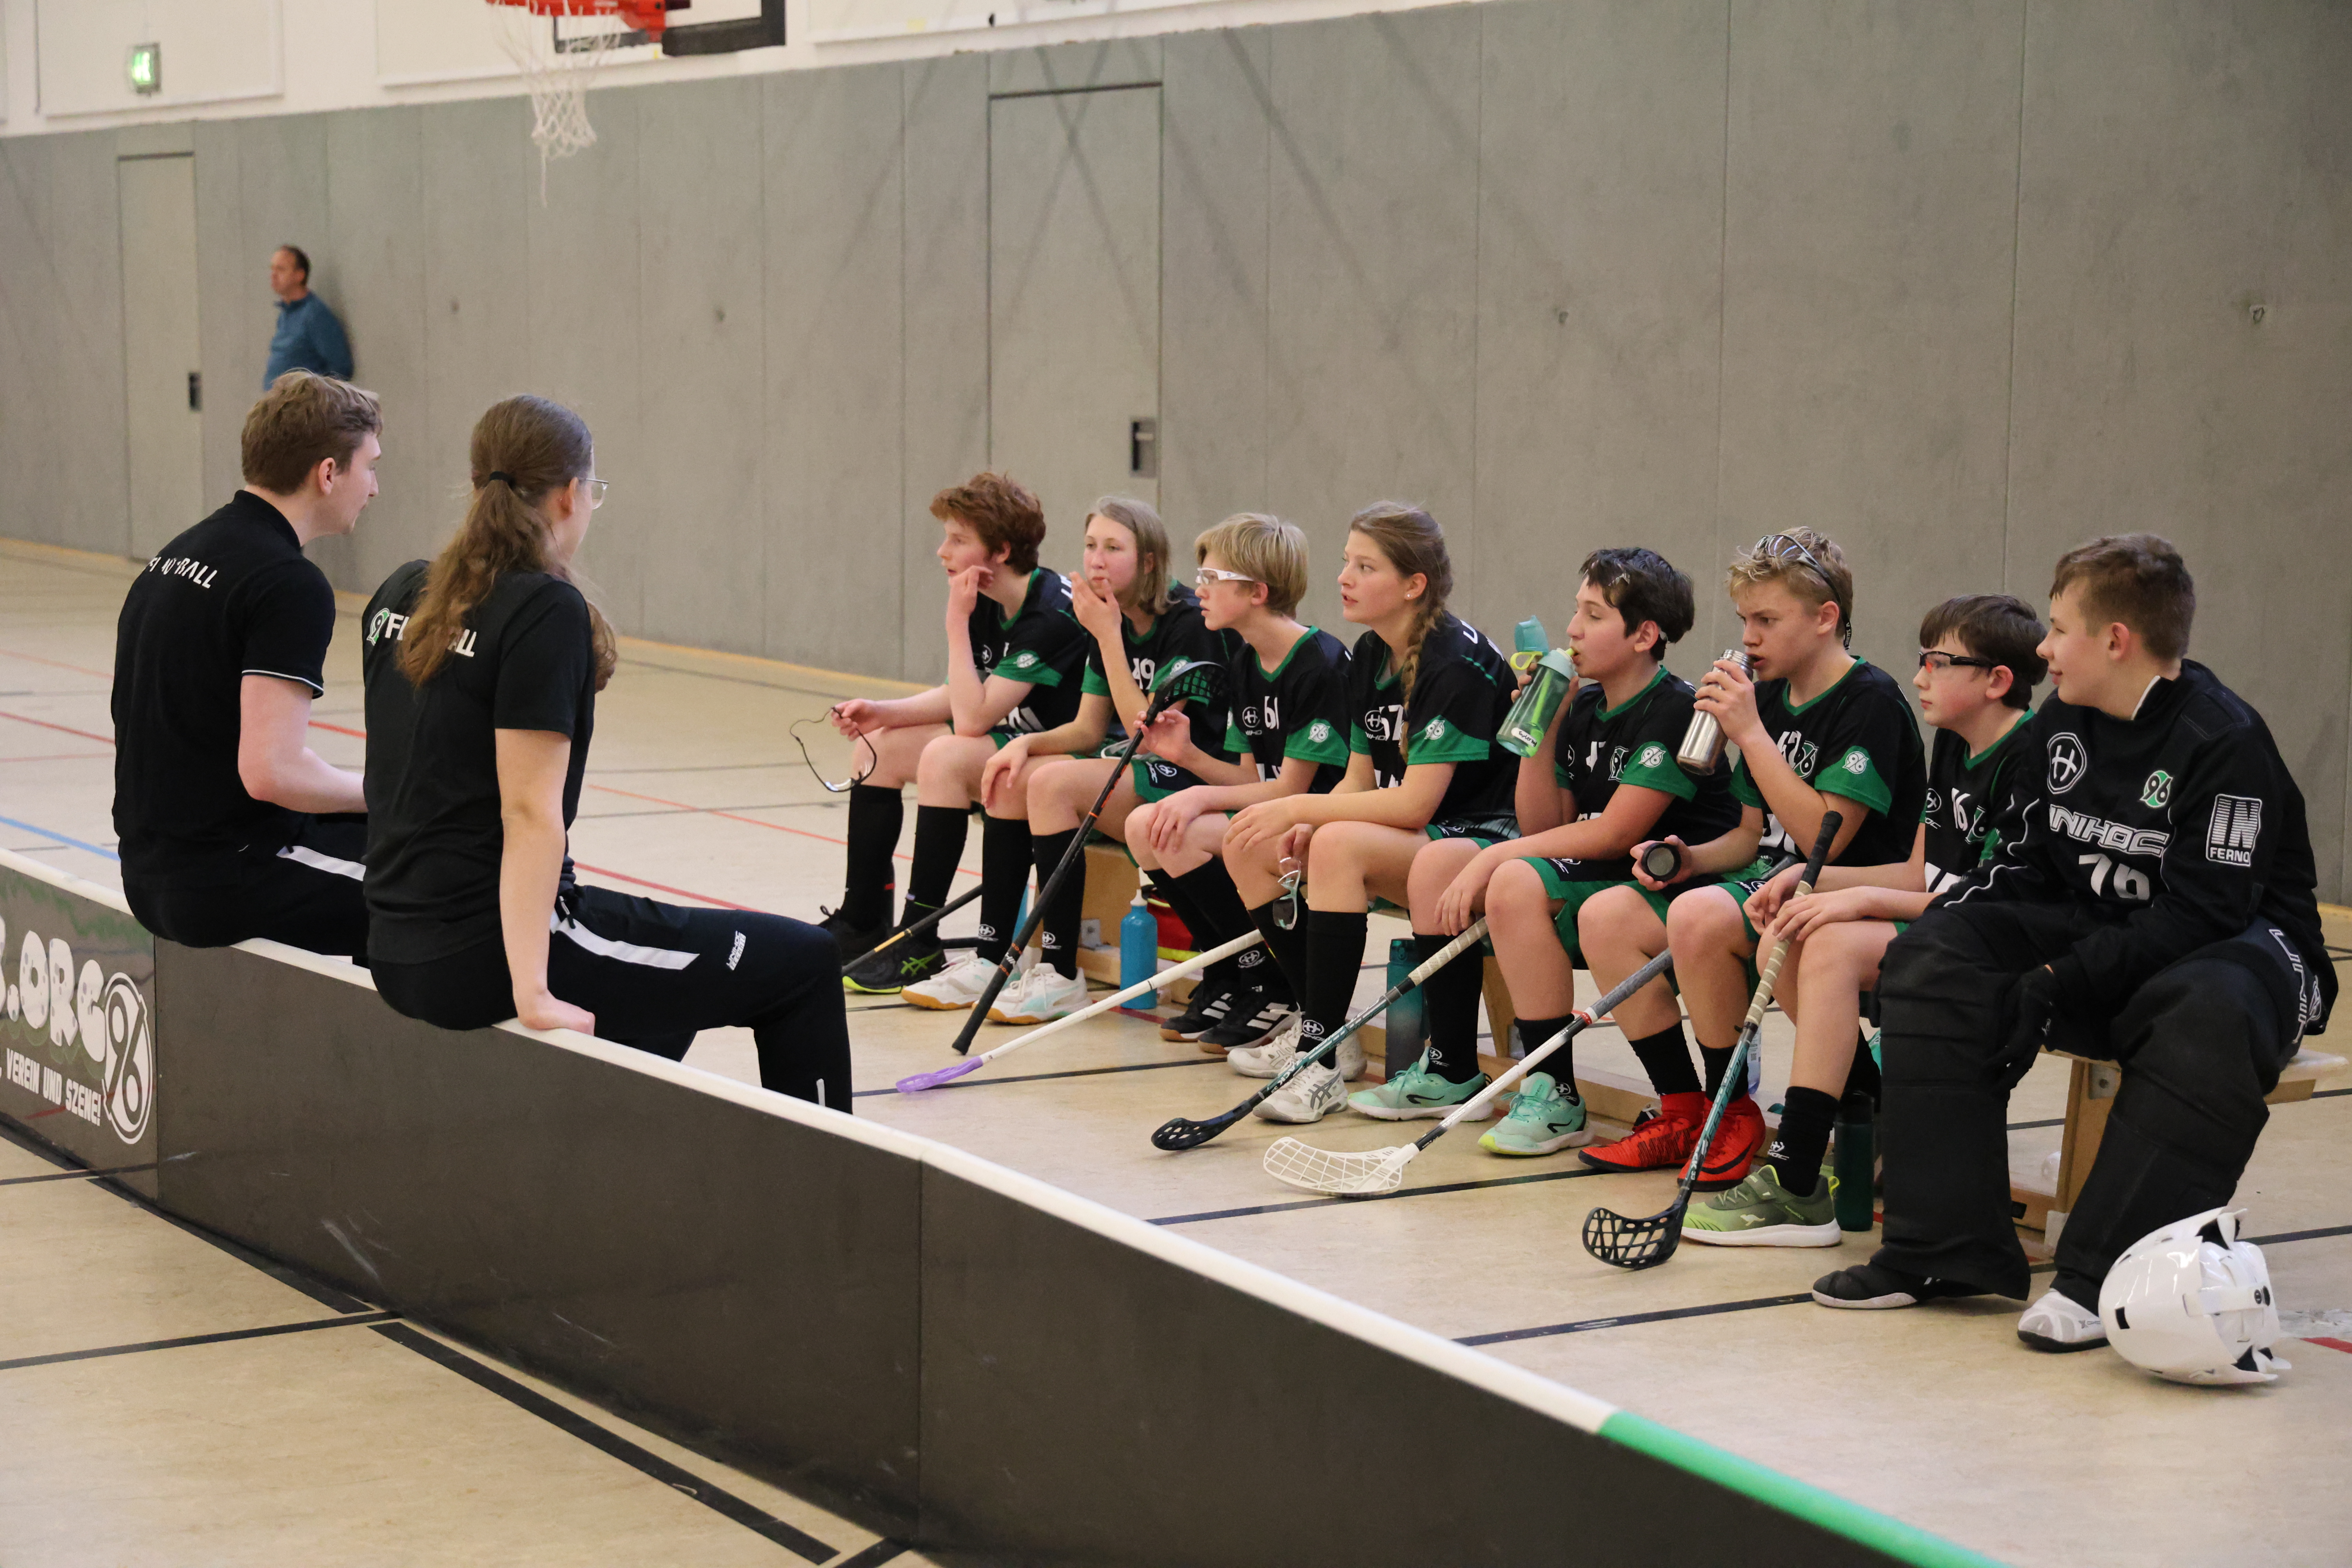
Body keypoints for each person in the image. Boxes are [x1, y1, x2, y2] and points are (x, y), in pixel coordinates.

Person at [1813, 536, 2333, 1352]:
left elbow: (2203, 914)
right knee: (1935, 957)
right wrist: (1956, 935)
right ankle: (1939, 1251)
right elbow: (2027, 868)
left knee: (2206, 1013)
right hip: (2107, 932)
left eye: (2059, 630)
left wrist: (2058, 977)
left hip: (2240, 952)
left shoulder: (2226, 743)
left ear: (2115, 640)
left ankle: (2103, 1278)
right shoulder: (2060, 724)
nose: (2045, 650)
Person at [359, 395, 849, 1107]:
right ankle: (822, 1178)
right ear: (570, 495)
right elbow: (530, 815)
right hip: (486, 954)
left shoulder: (402, 590)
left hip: (393, 943)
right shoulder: (543, 610)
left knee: (661, 997)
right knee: (803, 963)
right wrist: (532, 990)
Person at [1679, 594, 2045, 1244]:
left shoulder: (2031, 759)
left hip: (2000, 937)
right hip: (1949, 921)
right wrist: (1805, 879)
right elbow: (1917, 874)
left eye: (1939, 663)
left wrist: (1854, 902)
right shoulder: (1954, 742)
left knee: (1830, 946)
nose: (1921, 676)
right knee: (1784, 938)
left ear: (1996, 681)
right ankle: (1869, 1119)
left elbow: (1996, 902)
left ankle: (1795, 1178)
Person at [1579, 529, 1926, 1190]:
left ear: (1825, 618)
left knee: (1701, 918)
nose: (1749, 636)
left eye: (1766, 620)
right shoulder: (1768, 695)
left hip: (1846, 891)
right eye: (1744, 620)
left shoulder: (1869, 702)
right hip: (1766, 882)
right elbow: (1747, 837)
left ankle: (1750, 1109)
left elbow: (1825, 842)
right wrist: (1688, 858)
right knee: (1608, 916)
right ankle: (1689, 1109)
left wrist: (1750, 733)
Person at [1428, 548, 1739, 1157]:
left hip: (1685, 886)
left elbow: (1615, 834)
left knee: (1512, 875)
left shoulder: (1674, 709)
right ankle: (1553, 1091)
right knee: (1517, 881)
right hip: (1614, 880)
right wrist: (1544, 727)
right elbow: (1543, 824)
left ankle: (1678, 1104)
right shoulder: (1587, 706)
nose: (1572, 629)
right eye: (1576, 612)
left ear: (1644, 636)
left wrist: (1490, 858)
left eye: (1594, 616)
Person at [1217, 503, 1517, 1126]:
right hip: (1419, 837)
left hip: (1482, 839)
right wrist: (1312, 817)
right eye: (1346, 563)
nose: (1344, 578)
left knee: (1335, 845)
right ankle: (1324, 1031)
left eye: (1365, 567)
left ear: (1413, 585)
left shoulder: (1452, 663)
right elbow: (1359, 778)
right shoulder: (1370, 653)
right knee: (1249, 844)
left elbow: (1415, 803)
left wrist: (1300, 806)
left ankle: (1320, 1062)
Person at [112, 371, 381, 958]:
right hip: (226, 879)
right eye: (370, 467)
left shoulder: (176, 553)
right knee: (453, 898)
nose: (375, 488)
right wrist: (388, 792)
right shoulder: (289, 584)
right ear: (328, 473)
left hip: (149, 869)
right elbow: (273, 772)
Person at [976, 499, 1233, 1024]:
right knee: (1026, 775)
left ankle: (1061, 972)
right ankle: (1022, 962)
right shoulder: (1110, 617)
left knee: (1053, 786)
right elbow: (1088, 729)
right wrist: (1026, 744)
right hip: (1148, 770)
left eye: (1114, 548)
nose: (1096, 559)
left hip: (1196, 774)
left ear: (1148, 561)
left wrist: (1109, 635)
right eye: (1091, 545)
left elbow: (1150, 732)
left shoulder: (1187, 621)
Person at [833, 474, 1089, 994]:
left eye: (957, 539)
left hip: (1069, 755)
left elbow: (973, 719)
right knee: (877, 747)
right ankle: (862, 922)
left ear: (1001, 551)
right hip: (1014, 744)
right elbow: (962, 693)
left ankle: (918, 940)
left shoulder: (1050, 615)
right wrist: (881, 712)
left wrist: (955, 622)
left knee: (946, 756)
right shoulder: (988, 597)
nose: (942, 551)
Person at [1123, 515, 1352, 1052]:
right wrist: (1188, 757)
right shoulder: (1245, 660)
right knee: (1147, 827)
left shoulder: (1319, 664)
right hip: (1274, 813)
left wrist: (1198, 794)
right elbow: (1252, 779)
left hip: (1320, 822)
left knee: (1211, 831)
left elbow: (1291, 789)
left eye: (1212, 578)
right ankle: (1234, 974)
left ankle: (1280, 987)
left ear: (1257, 592)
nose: (1198, 589)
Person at [264, 247, 354, 385]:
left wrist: (310, 394)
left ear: (300, 275)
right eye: (273, 269)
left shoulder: (315, 315)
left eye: (281, 269)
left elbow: (341, 368)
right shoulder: (286, 314)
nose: (273, 275)